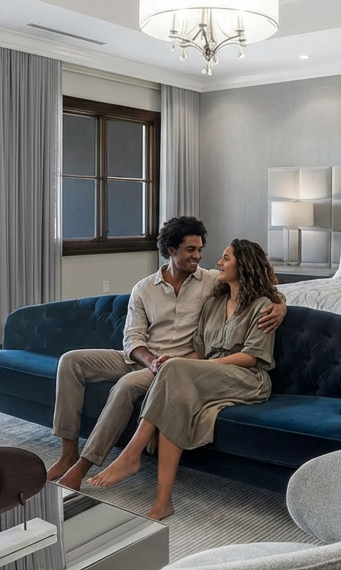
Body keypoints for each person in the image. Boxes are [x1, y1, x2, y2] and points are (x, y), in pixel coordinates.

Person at [47, 217, 285, 491]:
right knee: (71, 361)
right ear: (171, 250)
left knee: (125, 386)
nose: (198, 256)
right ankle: (68, 453)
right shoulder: (144, 288)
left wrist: (280, 307)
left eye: (200, 249)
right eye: (190, 250)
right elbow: (132, 338)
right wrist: (148, 360)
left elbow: (257, 288)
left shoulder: (210, 282)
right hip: (142, 358)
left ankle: (86, 463)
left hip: (177, 366)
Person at [89, 238, 280, 520]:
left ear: (244, 265)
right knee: (174, 393)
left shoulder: (262, 306)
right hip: (210, 373)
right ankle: (163, 501)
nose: (218, 262)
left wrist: (200, 367)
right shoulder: (214, 303)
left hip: (247, 377)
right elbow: (200, 351)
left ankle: (132, 454)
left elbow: (252, 357)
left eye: (226, 259)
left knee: (177, 371)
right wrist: (176, 363)